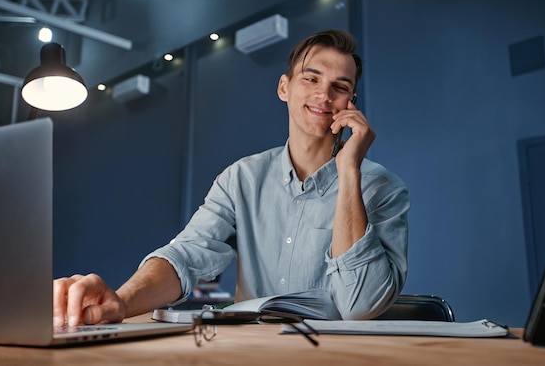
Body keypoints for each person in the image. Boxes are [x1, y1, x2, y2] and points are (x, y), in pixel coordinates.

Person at [53, 29, 410, 327]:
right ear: (284, 88)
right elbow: (187, 255)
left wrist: (350, 171)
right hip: (249, 355)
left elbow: (360, 305)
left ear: (351, 102)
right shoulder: (241, 178)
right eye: (311, 78)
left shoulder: (383, 189)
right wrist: (122, 300)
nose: (324, 95)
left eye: (340, 86)